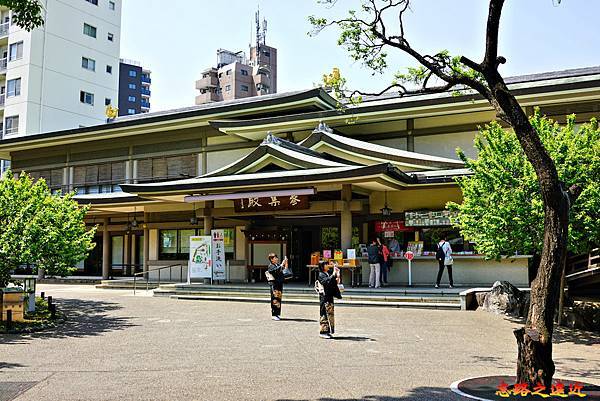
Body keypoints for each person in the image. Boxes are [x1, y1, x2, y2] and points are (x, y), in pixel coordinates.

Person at [315, 261, 342, 339]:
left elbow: (333, 282)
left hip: (329, 296)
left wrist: (337, 275)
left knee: (329, 313)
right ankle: (323, 332)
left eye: (327, 264)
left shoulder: (327, 274)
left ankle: (328, 331)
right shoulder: (321, 274)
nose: (327, 266)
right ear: (322, 266)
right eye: (325, 264)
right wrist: (333, 274)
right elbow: (327, 282)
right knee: (324, 313)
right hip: (324, 297)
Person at [266, 252, 287, 320]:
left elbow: (282, 270)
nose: (276, 259)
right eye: (275, 258)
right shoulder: (270, 266)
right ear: (271, 259)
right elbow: (276, 271)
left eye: (276, 257)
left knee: (279, 298)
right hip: (274, 284)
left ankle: (277, 314)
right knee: (274, 298)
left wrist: (285, 263)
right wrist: (281, 265)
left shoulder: (277, 265)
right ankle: (274, 314)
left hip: (279, 283)